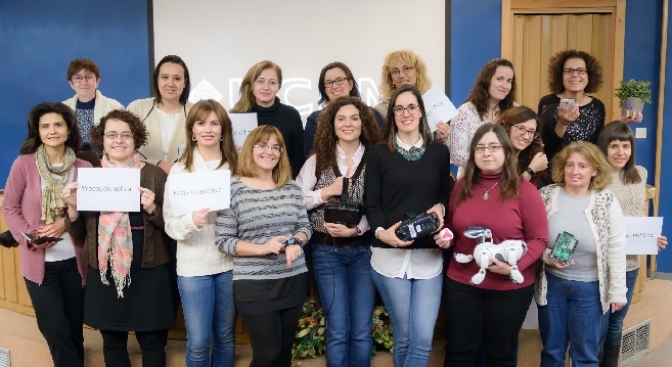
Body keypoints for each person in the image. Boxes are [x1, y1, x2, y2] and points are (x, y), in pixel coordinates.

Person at [63, 110, 173, 367]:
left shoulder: (156, 176)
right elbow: (80, 236)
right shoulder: (90, 177)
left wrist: (152, 210)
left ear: (136, 138)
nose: (119, 140)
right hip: (105, 270)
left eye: (126, 134)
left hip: (150, 270)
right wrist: (72, 208)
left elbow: (173, 229)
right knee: (112, 342)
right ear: (102, 139)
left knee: (153, 341)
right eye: (112, 134)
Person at [441, 123, 548, 367]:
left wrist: (514, 267)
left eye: (493, 147)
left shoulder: (525, 191)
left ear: (506, 152)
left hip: (508, 288)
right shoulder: (461, 187)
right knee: (459, 353)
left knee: (500, 356)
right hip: (462, 283)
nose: (486, 153)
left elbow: (539, 239)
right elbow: (450, 229)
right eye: (480, 148)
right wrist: (444, 238)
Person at [364, 84, 451, 366]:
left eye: (411, 107)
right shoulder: (378, 153)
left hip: (428, 258)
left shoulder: (438, 152)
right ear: (392, 114)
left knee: (423, 338)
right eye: (399, 108)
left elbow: (444, 197)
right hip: (388, 258)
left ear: (421, 111)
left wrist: (441, 208)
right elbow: (372, 203)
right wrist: (381, 234)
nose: (405, 113)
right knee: (403, 336)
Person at [1, 102, 90, 367]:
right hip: (39, 265)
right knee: (56, 330)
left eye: (58, 125)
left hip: (75, 264)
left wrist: (64, 222)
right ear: (37, 132)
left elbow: (92, 212)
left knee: (74, 332)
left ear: (68, 129)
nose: (52, 130)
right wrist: (28, 236)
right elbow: (9, 206)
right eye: (45, 126)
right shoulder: (24, 164)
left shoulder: (84, 168)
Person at [296, 96, 382, 366]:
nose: (348, 124)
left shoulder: (375, 157)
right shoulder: (317, 160)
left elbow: (381, 204)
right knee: (337, 329)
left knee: (360, 330)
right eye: (341, 119)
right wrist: (326, 192)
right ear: (331, 125)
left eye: (354, 118)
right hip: (326, 252)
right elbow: (296, 198)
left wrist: (358, 228)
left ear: (363, 122)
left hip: (364, 252)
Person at [216, 125, 311, 367]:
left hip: (293, 278)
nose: (269, 151)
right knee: (266, 355)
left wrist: (295, 241)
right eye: (262, 145)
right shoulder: (232, 190)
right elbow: (224, 240)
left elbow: (304, 227)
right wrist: (263, 248)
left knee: (283, 353)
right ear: (250, 148)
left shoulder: (291, 187)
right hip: (254, 284)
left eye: (275, 147)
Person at [536, 141, 627, 367]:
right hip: (552, 285)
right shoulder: (545, 196)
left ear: (595, 170)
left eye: (583, 166)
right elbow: (531, 239)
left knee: (585, 355)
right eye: (570, 165)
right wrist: (547, 257)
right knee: (552, 351)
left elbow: (616, 247)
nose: (575, 171)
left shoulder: (606, 201)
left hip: (590, 288)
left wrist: (617, 291)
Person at [163, 99, 239, 367]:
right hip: (193, 266)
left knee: (226, 336)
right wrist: (192, 221)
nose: (208, 129)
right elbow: (170, 224)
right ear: (192, 129)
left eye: (214, 123)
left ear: (223, 129)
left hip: (230, 264)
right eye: (201, 122)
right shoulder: (180, 170)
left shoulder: (236, 167)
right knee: (197, 341)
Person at [596, 121, 667, 366]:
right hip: (601, 264)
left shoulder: (640, 174)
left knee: (617, 323)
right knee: (600, 322)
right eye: (613, 145)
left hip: (630, 263)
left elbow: (637, 216)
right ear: (603, 148)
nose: (620, 152)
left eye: (625, 146)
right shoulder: (595, 176)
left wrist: (650, 238)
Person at [537, 49, 606, 186]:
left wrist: (619, 125)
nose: (575, 75)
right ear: (560, 76)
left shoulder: (597, 106)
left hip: (583, 179)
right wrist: (562, 124)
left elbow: (597, 149)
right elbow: (544, 149)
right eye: (568, 71)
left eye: (581, 70)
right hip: (552, 179)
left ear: (589, 75)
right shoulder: (548, 103)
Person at [231, 60, 305, 177]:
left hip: (281, 183)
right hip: (244, 181)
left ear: (279, 86)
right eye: (260, 81)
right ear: (251, 86)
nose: (266, 87)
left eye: (272, 82)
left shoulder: (291, 115)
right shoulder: (237, 116)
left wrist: (282, 181)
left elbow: (297, 157)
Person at [449, 58, 517, 178]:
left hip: (507, 181)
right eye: (499, 79)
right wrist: (491, 163)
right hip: (471, 183)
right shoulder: (465, 112)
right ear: (487, 80)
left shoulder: (516, 112)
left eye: (509, 81)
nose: (505, 85)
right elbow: (457, 156)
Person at [127, 54, 193, 174]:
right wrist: (157, 164)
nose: (170, 83)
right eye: (164, 77)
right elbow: (121, 151)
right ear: (157, 80)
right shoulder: (137, 109)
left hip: (185, 182)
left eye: (177, 78)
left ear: (185, 82)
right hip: (143, 180)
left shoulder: (196, 112)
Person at [303, 62, 384, 156]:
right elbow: (310, 154)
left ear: (350, 84)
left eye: (339, 80)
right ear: (324, 90)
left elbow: (383, 149)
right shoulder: (315, 119)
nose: (334, 86)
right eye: (329, 82)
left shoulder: (371, 114)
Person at [376, 49, 452, 145]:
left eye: (406, 69)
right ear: (390, 77)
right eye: (395, 71)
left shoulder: (433, 103)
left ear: (418, 71)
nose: (401, 75)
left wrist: (444, 139)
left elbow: (442, 150)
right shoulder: (381, 110)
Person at [62, 58, 124, 154]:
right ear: (71, 83)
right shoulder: (62, 109)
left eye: (89, 77)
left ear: (97, 81)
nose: (84, 82)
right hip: (70, 160)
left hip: (106, 162)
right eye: (78, 78)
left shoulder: (114, 107)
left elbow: (124, 138)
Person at [499, 105, 547, 185]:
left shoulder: (529, 157)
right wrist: (531, 170)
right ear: (507, 127)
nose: (526, 137)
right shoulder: (495, 157)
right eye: (520, 128)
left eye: (531, 132)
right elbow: (508, 194)